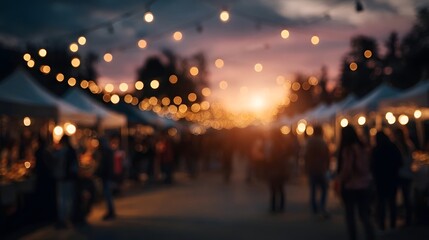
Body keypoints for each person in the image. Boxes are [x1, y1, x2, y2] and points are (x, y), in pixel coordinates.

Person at [337, 125, 375, 240]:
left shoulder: (348, 149)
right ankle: (370, 236)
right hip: (365, 184)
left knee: (350, 215)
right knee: (364, 215)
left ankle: (353, 237)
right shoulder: (363, 147)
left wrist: (340, 180)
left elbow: (347, 169)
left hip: (351, 186)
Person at [371, 131, 402, 231]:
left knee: (382, 202)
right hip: (392, 178)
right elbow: (399, 161)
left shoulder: (376, 150)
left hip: (380, 180)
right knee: (392, 202)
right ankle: (392, 223)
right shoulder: (393, 147)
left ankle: (382, 223)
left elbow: (372, 166)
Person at [303, 125, 331, 218]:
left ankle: (314, 207)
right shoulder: (323, 142)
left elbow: (305, 156)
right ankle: (322, 206)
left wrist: (305, 167)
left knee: (313, 189)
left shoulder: (309, 142)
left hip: (311, 168)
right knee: (324, 189)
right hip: (321, 168)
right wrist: (327, 167)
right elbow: (327, 156)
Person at [52, 135, 79, 228]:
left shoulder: (62, 151)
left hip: (63, 177)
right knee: (67, 199)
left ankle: (63, 219)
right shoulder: (71, 151)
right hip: (68, 178)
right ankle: (67, 218)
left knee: (63, 199)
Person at [392, 127, 414, 226]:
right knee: (406, 197)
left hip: (400, 174)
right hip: (407, 174)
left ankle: (402, 217)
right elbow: (411, 160)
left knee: (399, 197)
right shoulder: (409, 145)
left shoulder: (397, 146)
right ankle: (407, 217)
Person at [266, 128, 289, 213]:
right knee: (281, 189)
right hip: (281, 171)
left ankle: (273, 207)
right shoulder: (283, 145)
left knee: (274, 190)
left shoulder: (272, 146)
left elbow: (270, 159)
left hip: (274, 171)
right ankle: (281, 207)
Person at [96, 136, 116, 220]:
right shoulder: (107, 151)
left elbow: (104, 165)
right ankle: (111, 211)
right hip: (107, 175)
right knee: (108, 194)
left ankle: (111, 211)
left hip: (106, 175)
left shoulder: (106, 152)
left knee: (107, 194)